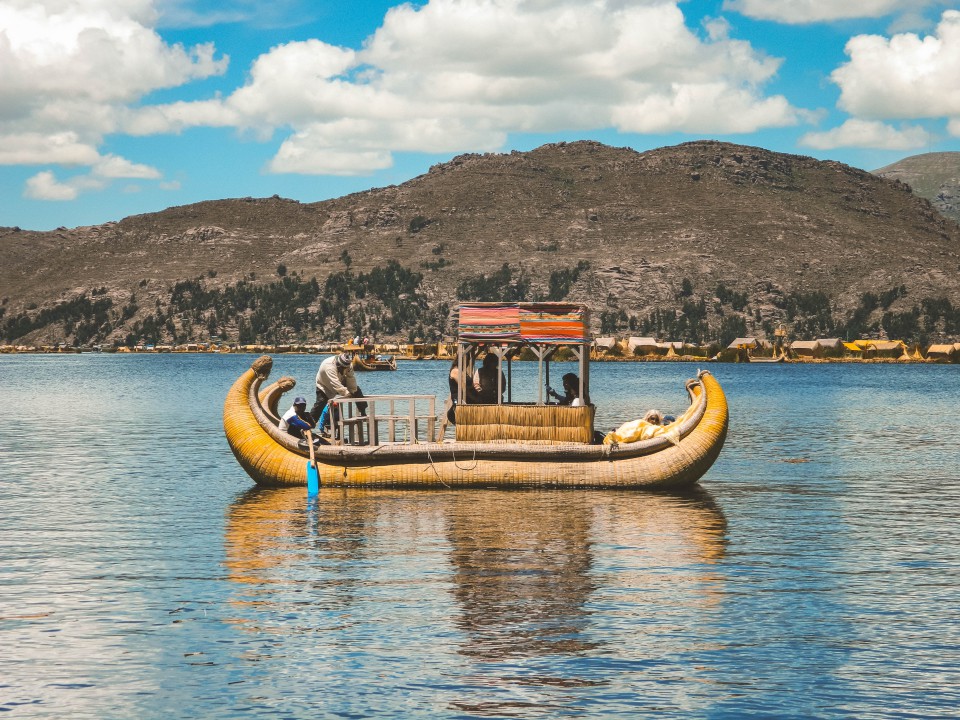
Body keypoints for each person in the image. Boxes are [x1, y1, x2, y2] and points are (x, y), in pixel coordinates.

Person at [311, 352, 366, 435]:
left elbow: (351, 379)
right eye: (342, 368)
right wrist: (347, 394)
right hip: (324, 384)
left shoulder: (349, 365)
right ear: (338, 365)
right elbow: (336, 383)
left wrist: (352, 391)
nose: (343, 369)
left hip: (341, 380)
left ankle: (363, 410)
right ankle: (309, 425)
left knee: (357, 390)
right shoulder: (328, 366)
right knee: (320, 404)